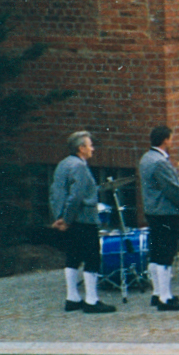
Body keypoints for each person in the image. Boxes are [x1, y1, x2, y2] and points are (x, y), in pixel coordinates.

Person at [50, 131, 116, 315]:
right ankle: (92, 300)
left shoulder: (63, 164)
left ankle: (72, 298)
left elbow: (56, 193)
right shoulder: (79, 167)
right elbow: (76, 196)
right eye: (89, 145)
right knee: (92, 257)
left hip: (69, 220)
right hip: (83, 220)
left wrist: (60, 217)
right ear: (81, 148)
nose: (92, 148)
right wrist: (68, 219)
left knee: (72, 257)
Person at [139, 124, 179, 311]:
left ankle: (157, 292)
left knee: (157, 254)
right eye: (170, 138)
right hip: (165, 212)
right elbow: (171, 188)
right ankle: (165, 297)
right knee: (166, 254)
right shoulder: (160, 162)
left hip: (153, 212)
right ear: (165, 140)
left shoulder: (146, 158)